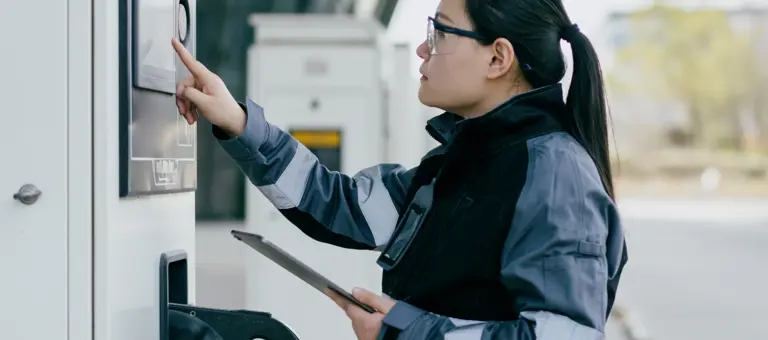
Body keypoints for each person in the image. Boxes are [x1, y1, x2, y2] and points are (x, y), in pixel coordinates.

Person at [171, 0, 628, 337]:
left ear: (497, 57)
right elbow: (344, 206)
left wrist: (406, 332)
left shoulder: (553, 176)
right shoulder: (457, 160)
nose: (422, 52)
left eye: (440, 34)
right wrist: (239, 122)